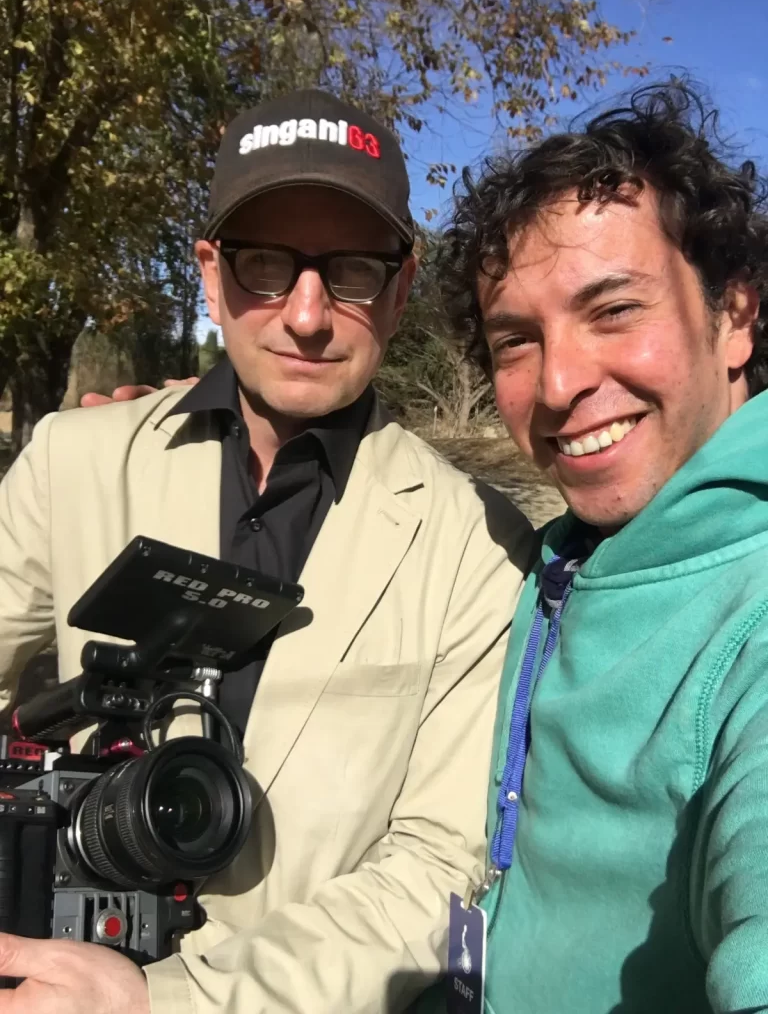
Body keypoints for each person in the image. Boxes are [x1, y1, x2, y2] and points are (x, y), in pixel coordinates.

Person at [0, 89, 534, 1014]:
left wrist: (163, 1003)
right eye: (265, 265)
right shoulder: (71, 461)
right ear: (211, 275)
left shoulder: (476, 544)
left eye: (353, 272)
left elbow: (439, 863)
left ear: (401, 289)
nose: (307, 315)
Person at [429, 80, 768, 1012]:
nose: (560, 382)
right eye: (515, 342)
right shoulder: (559, 555)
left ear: (734, 316)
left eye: (614, 310)